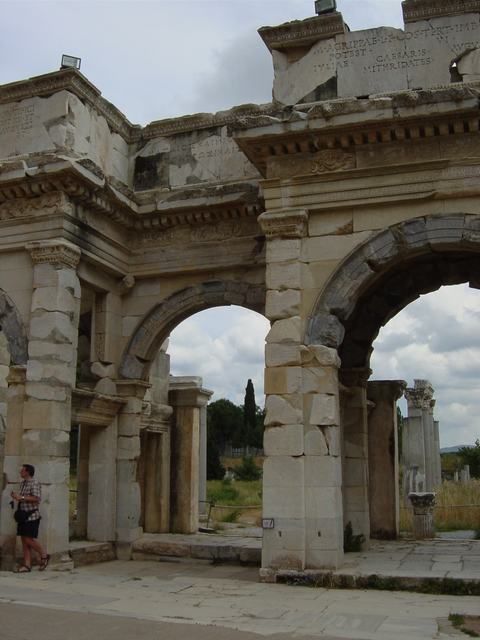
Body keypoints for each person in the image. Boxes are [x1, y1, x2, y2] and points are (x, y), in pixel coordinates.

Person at [10, 464, 49, 572]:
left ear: (27, 472)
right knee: (24, 540)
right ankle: (27, 564)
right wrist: (16, 497)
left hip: (32, 516)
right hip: (23, 515)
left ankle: (44, 555)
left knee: (28, 539)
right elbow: (24, 498)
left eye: (22, 470)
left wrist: (21, 497)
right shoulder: (23, 483)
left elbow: (36, 498)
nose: (20, 472)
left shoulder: (34, 483)